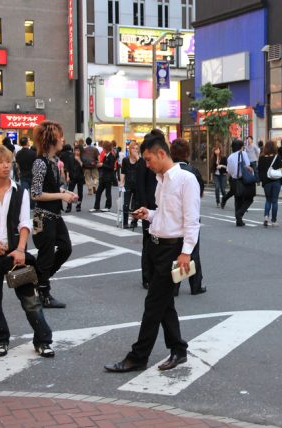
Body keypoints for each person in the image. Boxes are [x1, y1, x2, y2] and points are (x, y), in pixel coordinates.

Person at [104, 129, 200, 373]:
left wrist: (186, 252)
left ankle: (138, 356)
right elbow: (166, 214)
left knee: (153, 305)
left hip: (173, 250)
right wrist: (149, 213)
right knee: (164, 304)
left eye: (148, 159)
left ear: (161, 153)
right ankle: (178, 349)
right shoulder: (161, 181)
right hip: (157, 247)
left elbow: (191, 221)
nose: (146, 164)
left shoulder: (186, 180)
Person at [0, 144, 54, 357]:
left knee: (30, 300)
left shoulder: (21, 191)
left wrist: (20, 249)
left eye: (8, 161)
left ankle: (43, 340)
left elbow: (25, 222)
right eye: (0, 162)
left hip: (15, 254)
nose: (6, 165)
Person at [31, 120, 78, 308]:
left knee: (65, 248)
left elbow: (49, 187)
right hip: (42, 217)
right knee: (46, 254)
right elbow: (35, 193)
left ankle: (39, 280)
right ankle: (44, 291)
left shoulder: (52, 162)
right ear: (52, 140)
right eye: (60, 136)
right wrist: (61, 195)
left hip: (54, 215)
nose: (63, 139)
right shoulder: (40, 163)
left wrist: (65, 193)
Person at [170, 138, 206, 296]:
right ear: (187, 153)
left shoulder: (169, 172)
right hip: (190, 215)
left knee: (175, 251)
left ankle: (174, 287)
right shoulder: (193, 172)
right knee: (193, 251)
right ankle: (195, 286)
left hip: (174, 217)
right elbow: (200, 193)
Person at [136, 141, 158, 290]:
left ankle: (154, 276)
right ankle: (147, 277)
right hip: (148, 206)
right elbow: (140, 186)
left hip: (156, 205)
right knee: (148, 242)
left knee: (156, 242)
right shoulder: (143, 163)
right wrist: (143, 206)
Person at [227, 140, 255, 227]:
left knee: (237, 199)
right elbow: (247, 165)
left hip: (235, 180)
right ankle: (240, 214)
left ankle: (238, 220)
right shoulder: (244, 154)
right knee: (249, 198)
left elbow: (229, 171)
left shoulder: (230, 157)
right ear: (240, 147)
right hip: (244, 180)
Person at [258, 141, 282, 227]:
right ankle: (274, 220)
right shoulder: (277, 157)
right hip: (276, 181)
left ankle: (266, 216)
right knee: (275, 201)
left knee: (268, 200)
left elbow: (259, 171)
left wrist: (262, 180)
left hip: (266, 182)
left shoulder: (261, 158)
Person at [90, 141, 116, 212]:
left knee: (108, 193)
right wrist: (98, 164)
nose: (103, 149)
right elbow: (104, 165)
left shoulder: (112, 156)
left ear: (106, 148)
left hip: (108, 177)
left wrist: (102, 165)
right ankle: (96, 206)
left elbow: (111, 167)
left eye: (103, 148)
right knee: (98, 192)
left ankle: (107, 206)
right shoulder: (105, 156)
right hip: (103, 177)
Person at [120, 141, 140, 228]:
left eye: (136, 149)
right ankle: (125, 222)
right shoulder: (125, 160)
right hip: (128, 183)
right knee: (126, 204)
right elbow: (123, 172)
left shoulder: (140, 160)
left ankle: (134, 221)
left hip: (137, 184)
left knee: (136, 203)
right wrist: (121, 183)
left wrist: (138, 158)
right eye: (133, 148)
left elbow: (142, 170)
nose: (135, 150)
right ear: (130, 149)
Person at [15, 137, 37, 209]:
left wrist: (18, 173)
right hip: (32, 174)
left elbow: (17, 165)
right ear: (27, 143)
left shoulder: (18, 153)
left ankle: (23, 205)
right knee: (33, 191)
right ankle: (32, 206)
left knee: (23, 191)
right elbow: (36, 165)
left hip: (23, 174)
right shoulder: (33, 153)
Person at [64, 145, 85, 213]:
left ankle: (78, 206)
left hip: (80, 177)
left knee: (80, 192)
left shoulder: (82, 158)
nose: (76, 152)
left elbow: (84, 168)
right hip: (72, 177)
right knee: (70, 192)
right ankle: (68, 207)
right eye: (75, 150)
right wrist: (67, 176)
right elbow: (67, 168)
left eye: (78, 150)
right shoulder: (70, 157)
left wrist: (79, 160)